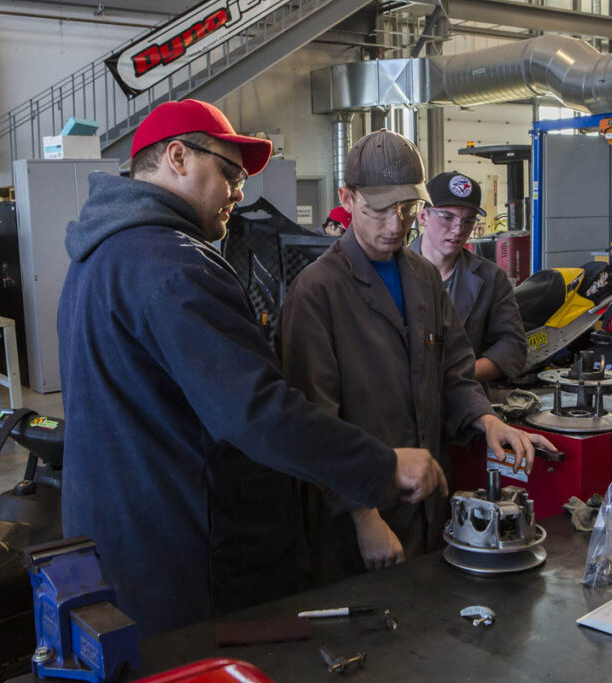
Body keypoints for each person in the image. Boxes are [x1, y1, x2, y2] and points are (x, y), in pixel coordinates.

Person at [57, 100, 446, 636]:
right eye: (229, 173)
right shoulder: (173, 266)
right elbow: (256, 411)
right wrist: (381, 467)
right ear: (177, 157)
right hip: (186, 551)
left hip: (128, 538)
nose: (240, 192)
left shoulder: (99, 257)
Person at [277, 130, 554, 582]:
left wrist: (486, 421)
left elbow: (455, 372)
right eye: (380, 209)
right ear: (347, 198)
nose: (395, 225)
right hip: (359, 517)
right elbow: (313, 423)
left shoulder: (423, 278)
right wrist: (363, 517)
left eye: (406, 209)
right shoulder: (317, 291)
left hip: (427, 501)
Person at [409, 172, 527, 383]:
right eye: (447, 217)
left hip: (465, 402)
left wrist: (462, 374)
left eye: (468, 220)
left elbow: (512, 345)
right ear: (423, 216)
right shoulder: (393, 271)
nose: (458, 229)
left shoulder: (492, 279)